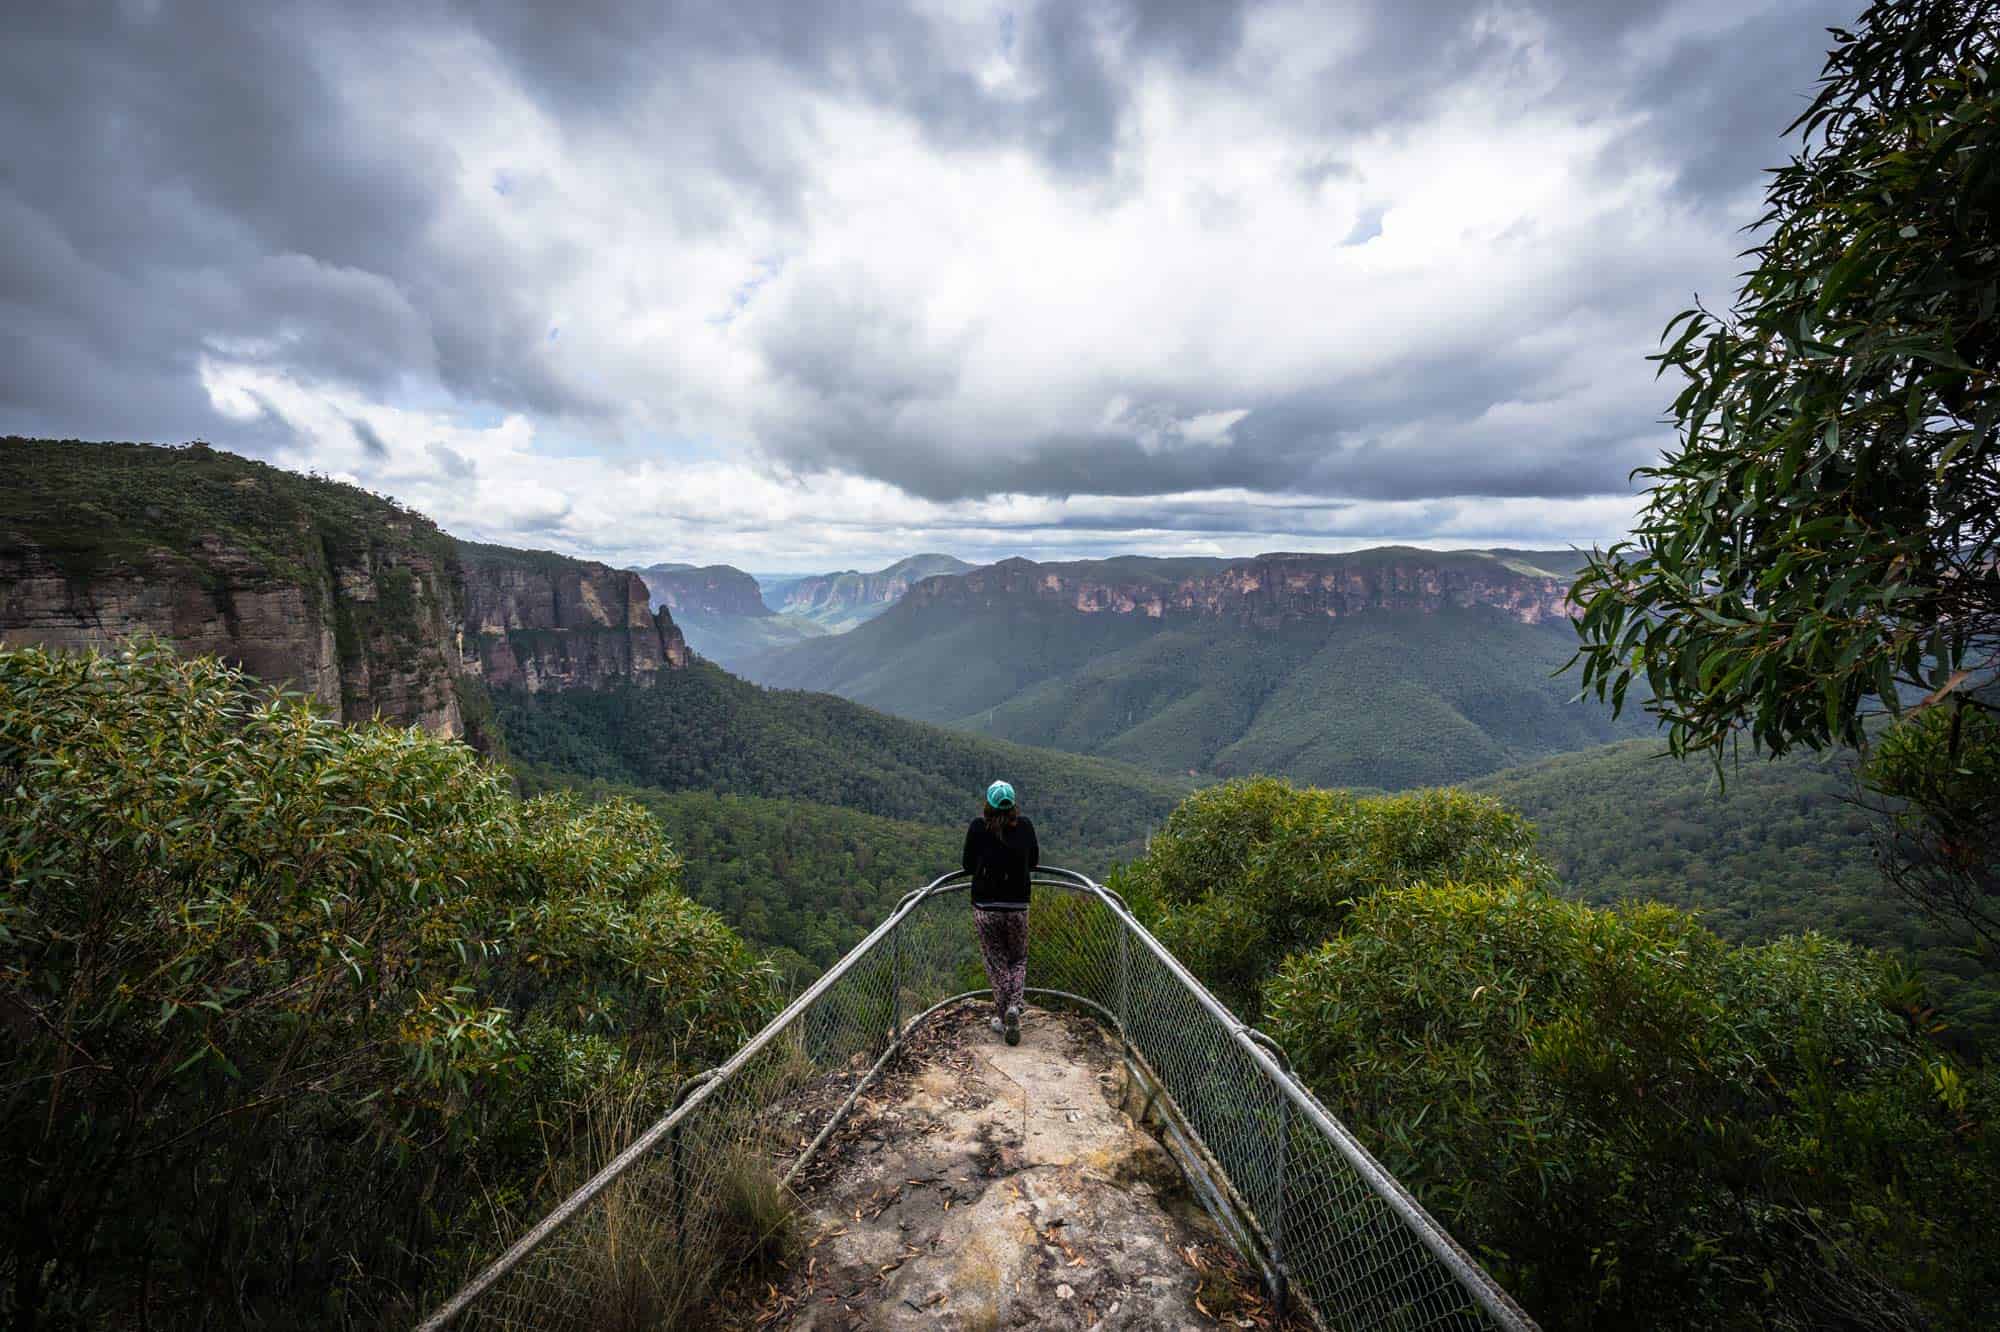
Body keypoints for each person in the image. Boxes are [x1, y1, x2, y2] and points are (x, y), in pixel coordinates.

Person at [962, 778, 1038, 1045]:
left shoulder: (977, 828)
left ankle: (1003, 1014)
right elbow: (1035, 861)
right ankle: (1014, 1008)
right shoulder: (1025, 826)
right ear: (1013, 805)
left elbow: (967, 864)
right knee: (1018, 959)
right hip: (1018, 906)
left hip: (986, 907)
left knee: (997, 963)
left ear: (989, 805)